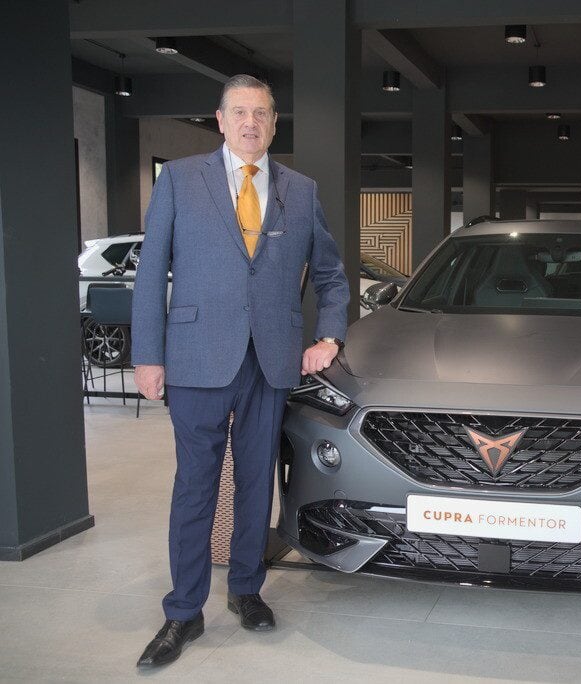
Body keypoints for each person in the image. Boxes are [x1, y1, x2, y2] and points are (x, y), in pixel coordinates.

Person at [131, 74, 350, 668]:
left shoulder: (300, 191)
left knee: (258, 483)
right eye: (239, 112)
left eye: (262, 113)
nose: (251, 122)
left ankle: (246, 589)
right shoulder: (179, 180)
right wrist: (147, 355)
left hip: (270, 359)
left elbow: (330, 274)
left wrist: (328, 336)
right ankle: (183, 611)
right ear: (220, 120)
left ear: (275, 123)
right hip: (196, 358)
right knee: (195, 487)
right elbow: (151, 274)